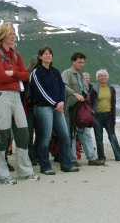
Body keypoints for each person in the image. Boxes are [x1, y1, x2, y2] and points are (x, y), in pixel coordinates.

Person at [0, 22, 39, 185]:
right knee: (2, 135)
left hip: (16, 96)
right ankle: (2, 174)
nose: (13, 36)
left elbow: (25, 75)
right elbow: (1, 78)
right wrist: (15, 75)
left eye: (14, 33)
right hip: (1, 96)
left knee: (23, 133)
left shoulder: (16, 55)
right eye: (10, 33)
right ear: (2, 35)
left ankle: (24, 171)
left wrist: (12, 72)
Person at [31, 46, 79, 174]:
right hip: (43, 108)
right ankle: (45, 166)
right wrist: (55, 104)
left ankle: (66, 164)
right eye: (45, 54)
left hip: (57, 107)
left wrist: (62, 102)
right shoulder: (36, 72)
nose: (48, 55)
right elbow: (41, 92)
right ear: (40, 56)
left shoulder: (55, 71)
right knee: (45, 137)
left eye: (50, 53)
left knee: (64, 135)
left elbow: (62, 88)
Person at [61, 52, 104, 167]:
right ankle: (72, 159)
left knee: (85, 133)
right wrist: (75, 94)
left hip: (81, 109)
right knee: (71, 134)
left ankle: (92, 158)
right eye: (79, 62)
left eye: (83, 62)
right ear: (73, 62)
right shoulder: (67, 73)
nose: (81, 64)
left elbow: (85, 89)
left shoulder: (81, 76)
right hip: (69, 109)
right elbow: (63, 86)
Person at [89, 69, 120, 162]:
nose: (103, 77)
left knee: (112, 136)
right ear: (98, 78)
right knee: (98, 137)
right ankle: (101, 157)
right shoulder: (94, 89)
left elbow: (113, 104)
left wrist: (113, 117)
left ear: (107, 77)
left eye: (104, 76)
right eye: (101, 76)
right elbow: (90, 103)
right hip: (97, 116)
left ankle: (119, 156)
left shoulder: (111, 89)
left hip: (108, 116)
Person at [26, 55, 41, 166]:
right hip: (29, 106)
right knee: (30, 133)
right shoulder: (26, 76)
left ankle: (34, 153)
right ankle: (31, 154)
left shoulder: (41, 74)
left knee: (39, 132)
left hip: (37, 106)